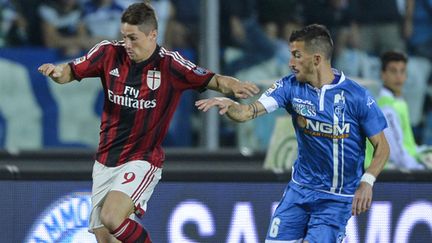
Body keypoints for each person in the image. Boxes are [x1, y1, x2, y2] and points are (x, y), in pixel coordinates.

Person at [38, 2, 259, 243]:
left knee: (112, 217)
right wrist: (57, 73)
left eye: (133, 38)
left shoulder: (170, 64)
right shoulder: (108, 53)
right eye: (124, 37)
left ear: (153, 34)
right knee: (105, 236)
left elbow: (214, 80)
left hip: (142, 158)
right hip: (105, 159)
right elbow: (71, 70)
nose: (127, 45)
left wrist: (234, 85)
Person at [196, 24, 390, 242]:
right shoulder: (289, 87)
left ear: (316, 59)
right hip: (298, 192)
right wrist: (230, 104)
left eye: (297, 56)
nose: (290, 63)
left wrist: (367, 182)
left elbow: (382, 146)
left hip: (335, 199)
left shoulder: (357, 96)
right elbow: (247, 113)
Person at [365, 51, 425, 170]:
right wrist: (421, 169)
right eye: (393, 71)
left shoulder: (399, 103)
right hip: (386, 174)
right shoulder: (386, 108)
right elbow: (396, 154)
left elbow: (408, 146)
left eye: (402, 71)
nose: (399, 76)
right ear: (383, 75)